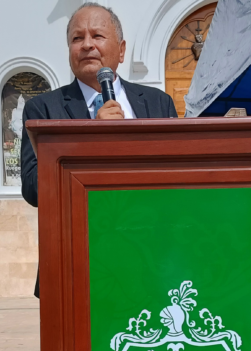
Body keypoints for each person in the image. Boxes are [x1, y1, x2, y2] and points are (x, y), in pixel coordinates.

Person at [21, 2, 178, 297]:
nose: (87, 45)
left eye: (97, 36)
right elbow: (33, 189)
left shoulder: (158, 103)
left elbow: (175, 180)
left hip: (151, 264)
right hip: (77, 264)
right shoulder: (42, 109)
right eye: (77, 38)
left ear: (121, 50)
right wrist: (90, 136)